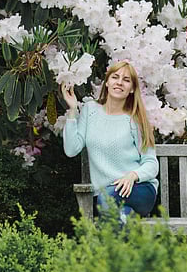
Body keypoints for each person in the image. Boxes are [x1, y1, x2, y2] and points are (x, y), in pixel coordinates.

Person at [61, 60, 159, 221]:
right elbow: (71, 150)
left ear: (132, 89)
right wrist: (72, 110)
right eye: (115, 77)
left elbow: (151, 163)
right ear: (107, 82)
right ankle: (128, 226)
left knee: (105, 199)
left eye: (126, 80)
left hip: (139, 190)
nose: (119, 82)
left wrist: (132, 176)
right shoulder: (90, 110)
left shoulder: (135, 120)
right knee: (121, 215)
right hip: (107, 194)